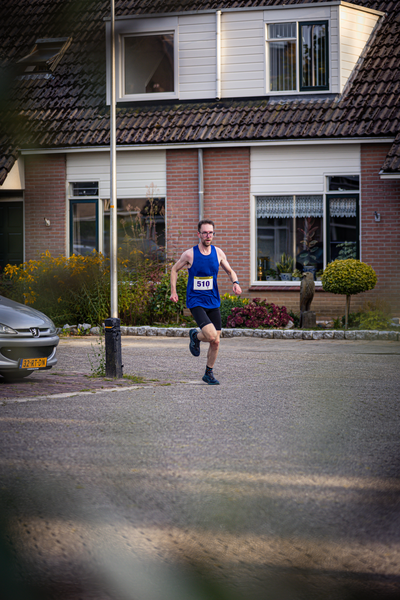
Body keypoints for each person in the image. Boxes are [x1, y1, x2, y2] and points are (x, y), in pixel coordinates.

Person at [170, 219, 242, 385]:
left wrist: (235, 283)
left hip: (213, 301)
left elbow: (230, 271)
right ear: (199, 234)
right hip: (196, 301)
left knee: (216, 341)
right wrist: (173, 291)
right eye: (205, 232)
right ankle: (196, 335)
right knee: (210, 336)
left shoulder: (218, 253)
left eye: (211, 233)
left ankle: (208, 373)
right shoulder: (190, 254)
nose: (208, 235)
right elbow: (174, 269)